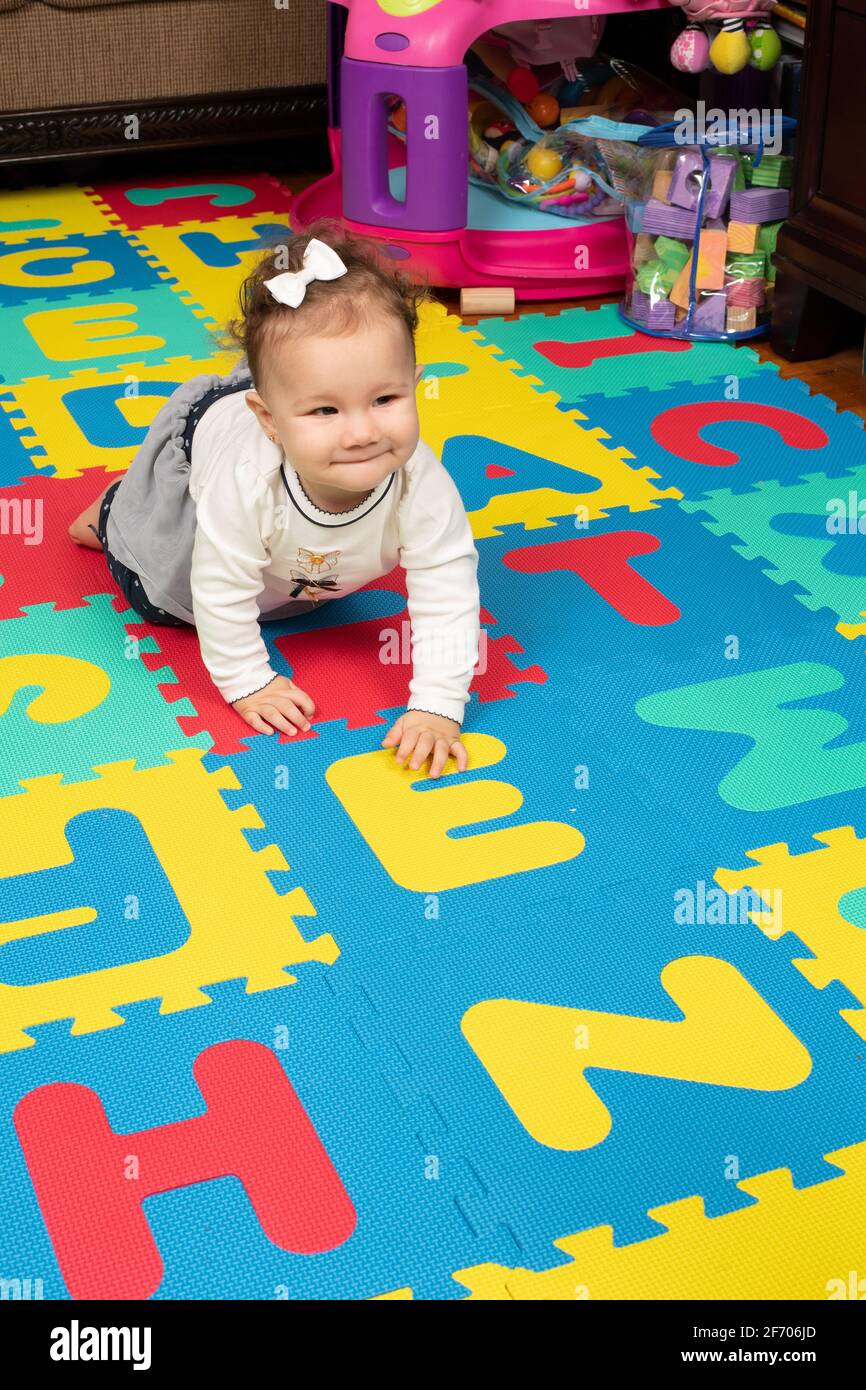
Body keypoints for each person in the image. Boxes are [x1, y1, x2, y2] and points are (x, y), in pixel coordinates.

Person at [69, 223, 481, 779]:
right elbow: (218, 589)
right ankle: (118, 509)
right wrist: (248, 682)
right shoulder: (248, 481)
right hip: (207, 469)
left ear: (414, 381)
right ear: (268, 420)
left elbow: (446, 586)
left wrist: (437, 705)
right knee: (166, 598)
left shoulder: (419, 478)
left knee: (303, 591)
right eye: (326, 411)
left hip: (299, 564)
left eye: (384, 398)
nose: (361, 432)